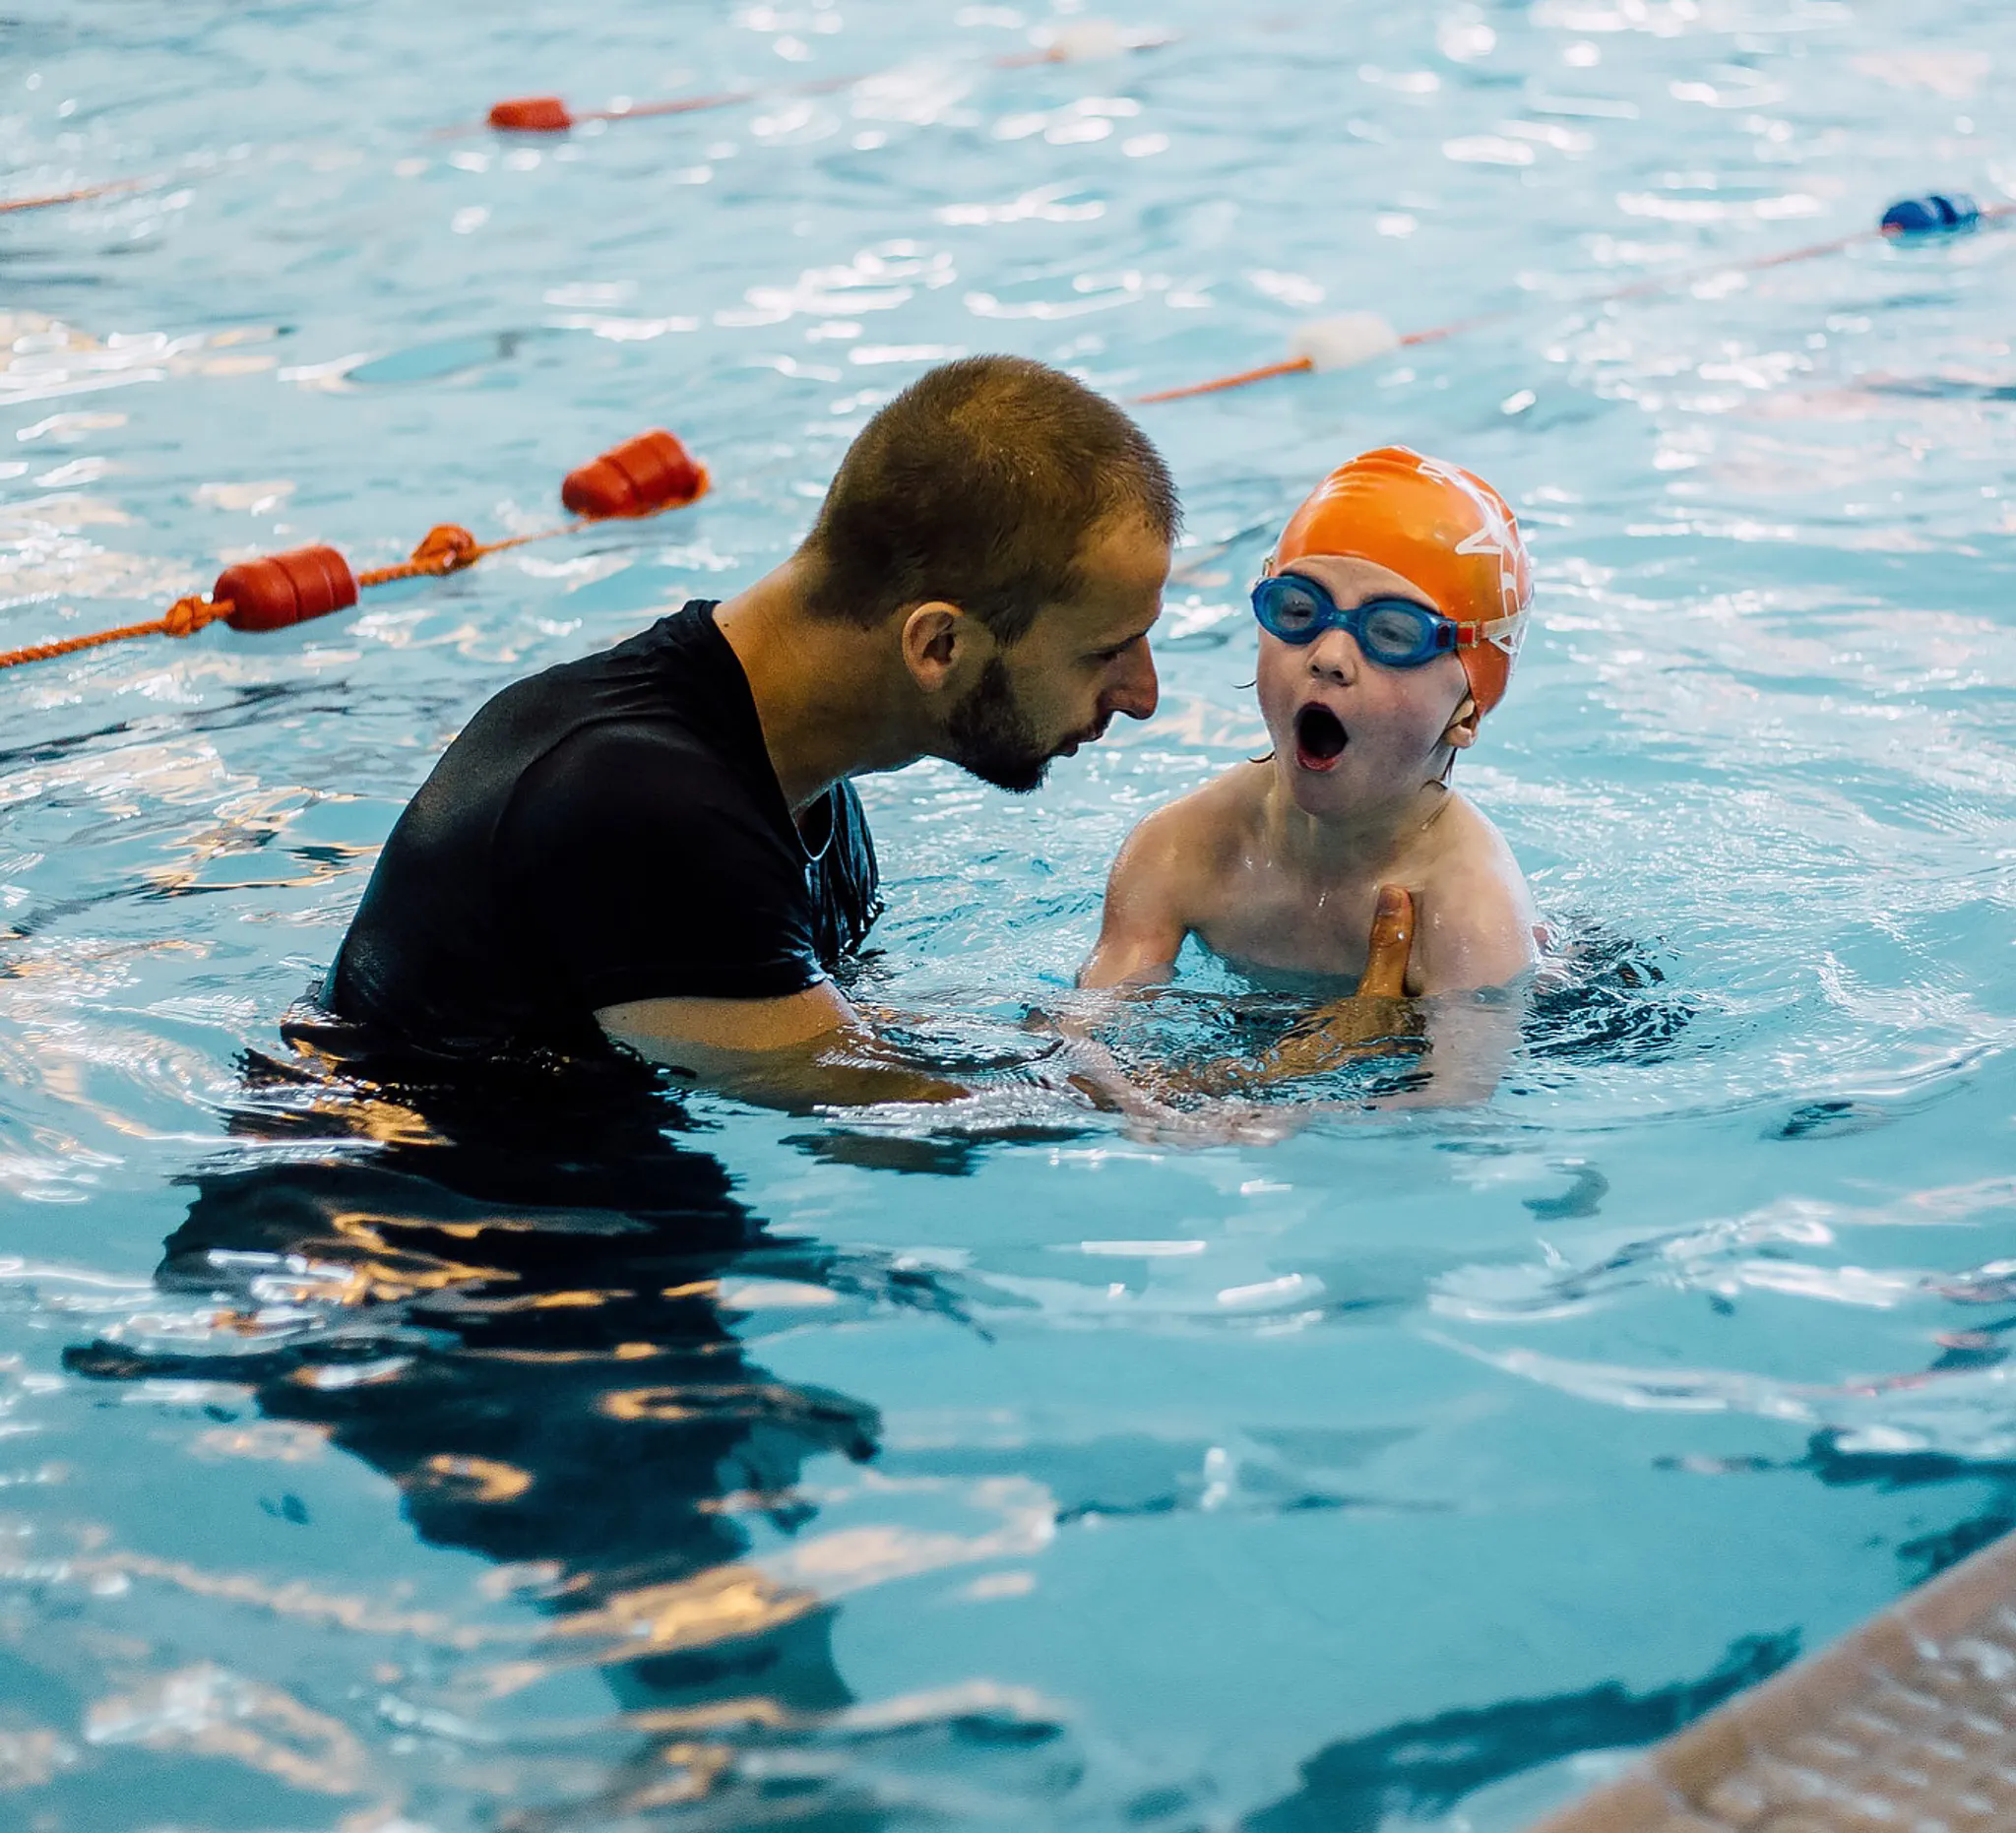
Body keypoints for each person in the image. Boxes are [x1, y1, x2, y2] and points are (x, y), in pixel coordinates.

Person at [318, 356, 1175, 1106]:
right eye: (1106, 651)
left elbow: (830, 1028)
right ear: (938, 645)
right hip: (407, 1216)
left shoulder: (802, 779)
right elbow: (880, 1111)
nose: (1144, 695)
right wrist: (1180, 1100)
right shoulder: (636, 801)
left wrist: (1082, 1043)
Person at [1077, 446, 1540, 1099]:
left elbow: (1448, 1117)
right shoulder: (1181, 849)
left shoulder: (1471, 913)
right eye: (1298, 611)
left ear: (1466, 710)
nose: (1329, 656)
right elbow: (1082, 1047)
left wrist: (1273, 1099)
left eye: (1393, 633)